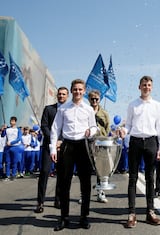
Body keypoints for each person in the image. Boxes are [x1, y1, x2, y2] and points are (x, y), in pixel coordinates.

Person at [50, 79, 97, 231]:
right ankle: (64, 218)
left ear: (84, 91)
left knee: (86, 184)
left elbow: (94, 126)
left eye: (80, 89)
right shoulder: (63, 109)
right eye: (75, 89)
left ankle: (84, 217)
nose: (77, 92)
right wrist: (52, 148)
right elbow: (55, 129)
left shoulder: (89, 109)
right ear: (71, 91)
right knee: (64, 184)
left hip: (83, 145)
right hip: (67, 146)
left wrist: (92, 132)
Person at [123, 75, 160, 228]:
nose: (146, 87)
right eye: (144, 85)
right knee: (133, 178)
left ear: (151, 87)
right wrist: (123, 130)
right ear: (139, 87)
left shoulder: (156, 105)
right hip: (135, 142)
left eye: (149, 85)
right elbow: (128, 125)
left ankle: (150, 212)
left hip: (151, 142)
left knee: (150, 178)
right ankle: (132, 213)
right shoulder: (132, 105)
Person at [34, 87, 68, 214]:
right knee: (44, 172)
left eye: (64, 94)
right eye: (59, 94)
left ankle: (58, 200)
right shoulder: (49, 109)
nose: (61, 96)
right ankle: (40, 202)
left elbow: (69, 128)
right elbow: (44, 126)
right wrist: (54, 140)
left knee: (61, 173)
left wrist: (61, 141)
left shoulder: (70, 110)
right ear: (56, 95)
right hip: (49, 146)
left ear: (67, 96)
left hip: (63, 146)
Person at [88, 90, 111, 203]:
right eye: (92, 99)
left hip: (100, 142)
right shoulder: (85, 111)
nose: (94, 101)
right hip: (88, 142)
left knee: (100, 169)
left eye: (96, 99)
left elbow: (107, 127)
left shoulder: (104, 113)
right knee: (86, 169)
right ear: (89, 99)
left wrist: (102, 138)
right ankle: (85, 194)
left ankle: (101, 192)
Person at [2, 116, 24, 181]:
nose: (11, 122)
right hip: (8, 148)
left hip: (15, 147)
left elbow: (19, 138)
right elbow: (2, 135)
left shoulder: (18, 129)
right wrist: (3, 129)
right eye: (11, 121)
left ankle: (13, 175)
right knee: (7, 162)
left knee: (14, 162)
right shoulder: (7, 129)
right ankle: (7, 175)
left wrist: (11, 143)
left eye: (13, 121)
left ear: (15, 122)